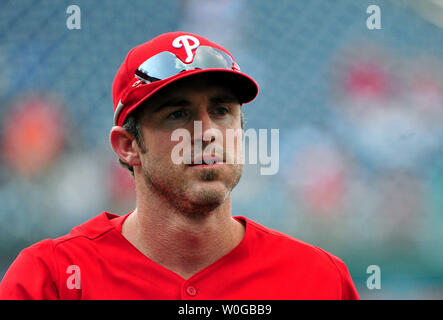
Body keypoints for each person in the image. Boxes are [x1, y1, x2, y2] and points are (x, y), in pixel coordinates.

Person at [0, 32, 359, 300]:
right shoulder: (52, 279)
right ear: (127, 146)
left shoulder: (318, 279)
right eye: (178, 114)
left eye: (221, 111)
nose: (206, 133)